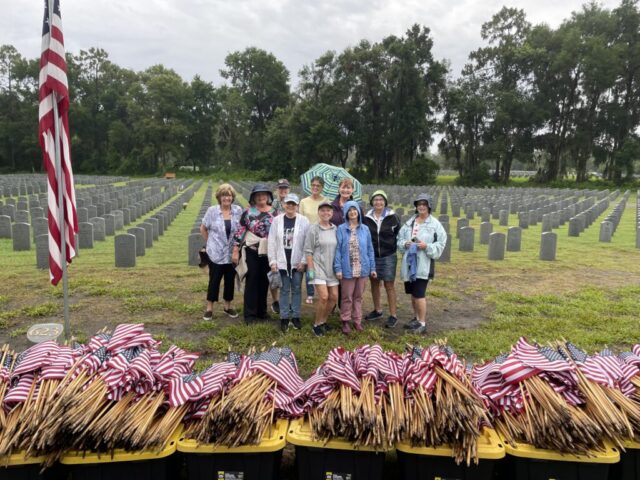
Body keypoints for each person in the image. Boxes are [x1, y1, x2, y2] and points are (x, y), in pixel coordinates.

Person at [397, 193, 447, 333]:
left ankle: (422, 324)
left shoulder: (435, 225)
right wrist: (405, 243)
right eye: (419, 204)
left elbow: (441, 243)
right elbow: (399, 239)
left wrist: (427, 246)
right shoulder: (410, 223)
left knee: (419, 294)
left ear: (429, 206)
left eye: (424, 204)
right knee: (413, 294)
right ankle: (416, 318)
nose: (421, 207)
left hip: (423, 264)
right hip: (409, 263)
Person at [232, 184, 276, 324]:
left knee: (264, 281)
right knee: (252, 281)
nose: (261, 197)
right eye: (258, 195)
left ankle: (262, 312)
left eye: (264, 194)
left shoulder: (275, 212)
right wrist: (235, 250)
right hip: (252, 250)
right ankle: (250, 314)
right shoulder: (248, 212)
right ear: (253, 198)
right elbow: (240, 231)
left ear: (268, 196)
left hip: (268, 251)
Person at [268, 193, 309, 333]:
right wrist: (273, 261)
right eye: (288, 203)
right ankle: (284, 317)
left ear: (297, 206)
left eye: (293, 204)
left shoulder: (304, 221)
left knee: (297, 289)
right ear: (284, 204)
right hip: (282, 261)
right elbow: (272, 241)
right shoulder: (277, 220)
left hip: (297, 262)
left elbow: (307, 243)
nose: (290, 206)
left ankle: (296, 316)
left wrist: (303, 261)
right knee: (284, 290)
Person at [200, 184, 242, 320]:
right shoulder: (212, 211)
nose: (226, 198)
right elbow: (203, 228)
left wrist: (237, 249)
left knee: (230, 280)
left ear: (232, 197)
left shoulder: (238, 210)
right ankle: (209, 308)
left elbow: (241, 230)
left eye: (229, 195)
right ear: (219, 197)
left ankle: (227, 307)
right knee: (214, 280)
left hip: (231, 254)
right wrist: (210, 243)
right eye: (223, 195)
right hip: (216, 254)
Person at [334, 201, 376, 335]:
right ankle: (345, 320)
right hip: (347, 268)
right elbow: (338, 250)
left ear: (358, 211)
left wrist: (372, 268)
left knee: (358, 296)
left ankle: (357, 320)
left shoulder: (365, 229)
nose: (352, 212)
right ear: (346, 213)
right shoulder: (341, 229)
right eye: (349, 210)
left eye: (354, 209)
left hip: (362, 269)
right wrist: (338, 268)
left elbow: (370, 249)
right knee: (347, 297)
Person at [362, 190, 401, 328]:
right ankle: (377, 310)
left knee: (389, 285)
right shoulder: (366, 218)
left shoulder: (393, 217)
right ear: (372, 202)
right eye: (375, 199)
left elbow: (398, 234)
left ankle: (393, 315)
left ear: (385, 202)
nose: (378, 202)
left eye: (381, 199)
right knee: (374, 283)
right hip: (372, 256)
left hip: (388, 255)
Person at [304, 201, 338, 337]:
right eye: (323, 210)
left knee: (334, 297)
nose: (326, 213)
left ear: (332, 213)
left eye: (328, 210)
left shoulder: (335, 229)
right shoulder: (313, 229)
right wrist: (311, 270)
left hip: (332, 268)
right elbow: (308, 251)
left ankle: (323, 321)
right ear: (319, 213)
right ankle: (316, 324)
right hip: (318, 267)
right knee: (324, 297)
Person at [299, 176, 327, 305]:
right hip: (306, 237)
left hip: (321, 236)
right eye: (313, 185)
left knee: (320, 265)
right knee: (308, 265)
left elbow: (327, 216)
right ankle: (310, 292)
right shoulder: (304, 201)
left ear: (322, 187)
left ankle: (321, 290)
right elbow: (300, 220)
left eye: (318, 186)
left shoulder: (325, 201)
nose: (315, 187)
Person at [269, 179, 290, 314]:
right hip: (276, 241)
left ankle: (285, 300)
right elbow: (269, 219)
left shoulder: (292, 202)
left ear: (289, 189)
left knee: (287, 273)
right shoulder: (273, 204)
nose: (283, 190)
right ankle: (275, 300)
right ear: (277, 189)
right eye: (280, 188)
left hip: (289, 241)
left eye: (285, 188)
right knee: (275, 272)